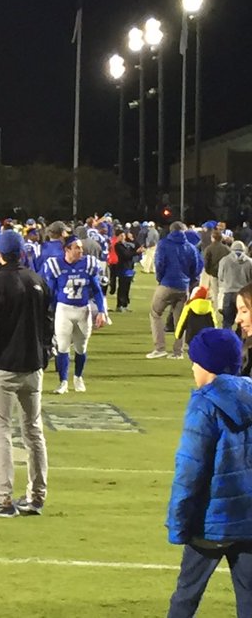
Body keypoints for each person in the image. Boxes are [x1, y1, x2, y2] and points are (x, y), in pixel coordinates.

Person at [164, 327, 252, 616]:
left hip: (209, 523)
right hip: (249, 521)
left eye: (195, 361)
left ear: (208, 366)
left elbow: (189, 470)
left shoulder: (203, 405)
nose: (192, 366)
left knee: (186, 596)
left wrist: (178, 523)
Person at [0, 230, 52, 517]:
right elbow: (47, 325)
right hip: (32, 367)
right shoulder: (37, 280)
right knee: (33, 431)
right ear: (21, 253)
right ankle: (36, 495)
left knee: (1, 434)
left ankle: (3, 498)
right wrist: (44, 355)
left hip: (4, 369)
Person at [42, 235, 108, 394]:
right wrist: (45, 311)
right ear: (67, 249)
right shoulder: (55, 264)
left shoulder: (88, 264)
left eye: (81, 248)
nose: (81, 250)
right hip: (64, 310)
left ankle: (78, 377)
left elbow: (97, 290)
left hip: (83, 310)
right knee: (63, 347)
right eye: (77, 247)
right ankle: (63, 382)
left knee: (81, 347)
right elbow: (50, 292)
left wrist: (101, 311)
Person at [149, 221, 204, 360]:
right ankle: (178, 352)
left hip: (167, 284)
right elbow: (197, 267)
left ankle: (159, 348)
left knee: (155, 313)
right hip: (183, 286)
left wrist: (160, 278)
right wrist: (189, 280)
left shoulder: (164, 244)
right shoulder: (190, 247)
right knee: (180, 320)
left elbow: (159, 263)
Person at [217, 241, 252, 330]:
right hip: (243, 295)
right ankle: (241, 340)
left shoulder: (224, 260)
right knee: (243, 321)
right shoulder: (249, 262)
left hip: (229, 293)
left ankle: (226, 340)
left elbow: (220, 277)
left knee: (227, 321)